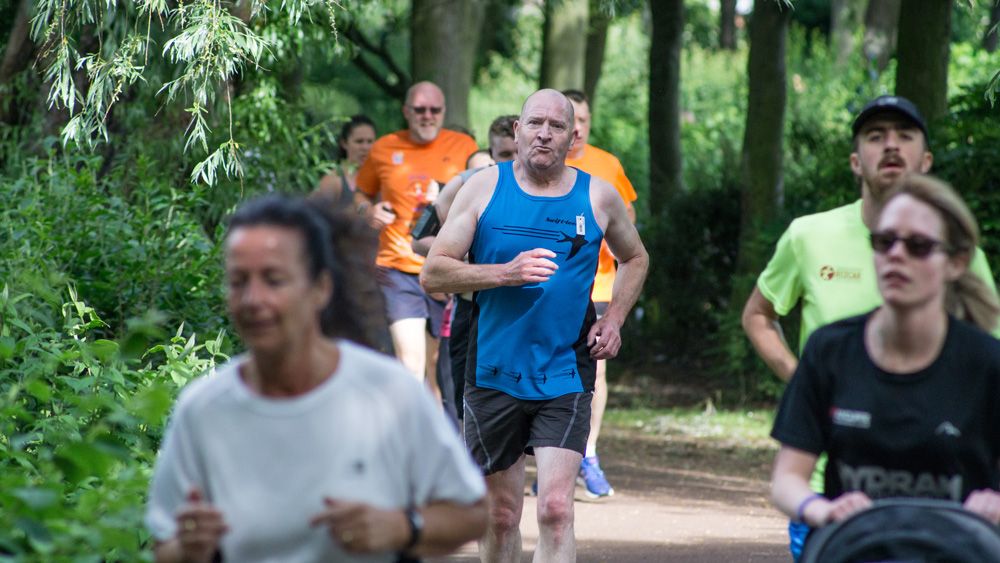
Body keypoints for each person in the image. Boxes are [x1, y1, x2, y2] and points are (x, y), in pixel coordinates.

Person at [145, 195, 487, 562]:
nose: (253, 299)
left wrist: (403, 527)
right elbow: (165, 544)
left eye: (274, 280)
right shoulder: (204, 409)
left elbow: (472, 514)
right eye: (238, 281)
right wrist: (190, 548)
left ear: (321, 289)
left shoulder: (388, 393)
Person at [740, 94, 1000, 559]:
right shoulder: (829, 343)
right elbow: (758, 316)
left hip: (957, 538)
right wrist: (813, 390)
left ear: (955, 263)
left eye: (919, 246)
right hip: (839, 517)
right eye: (885, 244)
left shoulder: (982, 358)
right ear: (856, 161)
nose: (897, 255)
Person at [421, 89, 648, 562]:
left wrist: (615, 318)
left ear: (572, 136)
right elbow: (434, 270)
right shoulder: (483, 187)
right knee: (501, 513)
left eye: (557, 126)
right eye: (535, 123)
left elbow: (635, 257)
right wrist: (504, 273)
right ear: (518, 130)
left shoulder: (598, 195)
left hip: (566, 368)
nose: (544, 133)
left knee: (556, 507)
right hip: (492, 370)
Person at [355, 81, 478, 398]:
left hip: (444, 267)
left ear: (444, 112)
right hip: (397, 268)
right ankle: (410, 441)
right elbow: (361, 192)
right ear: (406, 111)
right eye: (420, 110)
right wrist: (367, 211)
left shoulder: (464, 146)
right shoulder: (384, 147)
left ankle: (433, 440)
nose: (427, 116)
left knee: (439, 370)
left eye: (434, 110)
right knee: (410, 365)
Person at [411, 114, 519, 422]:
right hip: (470, 310)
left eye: (516, 152)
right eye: (504, 155)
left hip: (519, 313)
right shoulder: (465, 183)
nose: (513, 161)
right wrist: (460, 257)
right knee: (464, 406)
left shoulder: (549, 189)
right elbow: (417, 240)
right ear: (491, 153)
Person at [562, 88, 638, 498]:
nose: (575, 128)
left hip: (601, 285)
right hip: (552, 285)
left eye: (583, 120)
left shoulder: (607, 165)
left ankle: (588, 454)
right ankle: (555, 455)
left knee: (597, 369)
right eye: (567, 119)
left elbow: (629, 218)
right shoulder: (541, 165)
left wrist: (613, 238)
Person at [315, 114, 377, 206]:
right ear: (344, 143)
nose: (365, 147)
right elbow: (307, 213)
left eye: (370, 141)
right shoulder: (333, 180)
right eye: (359, 141)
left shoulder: (381, 178)